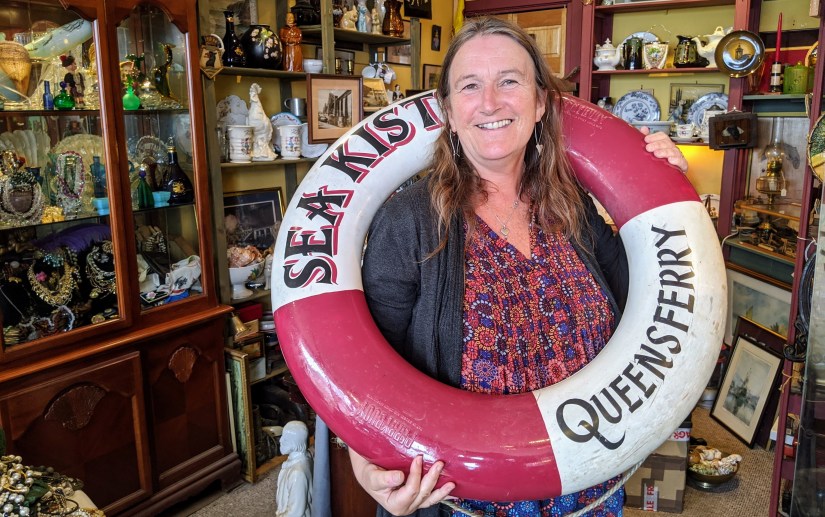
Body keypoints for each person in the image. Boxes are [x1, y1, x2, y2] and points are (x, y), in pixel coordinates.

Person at [337, 17, 688, 517]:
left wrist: (667, 195)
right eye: (470, 86)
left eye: (509, 81)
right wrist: (364, 463)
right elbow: (362, 368)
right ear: (450, 111)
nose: (491, 102)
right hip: (468, 500)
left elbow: (652, 302)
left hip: (590, 487)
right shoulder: (408, 219)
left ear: (540, 102)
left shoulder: (574, 205)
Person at [276, 421, 313, 517]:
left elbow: (295, 513)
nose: (280, 440)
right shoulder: (298, 460)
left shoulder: (297, 473)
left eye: (286, 438)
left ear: (296, 441)